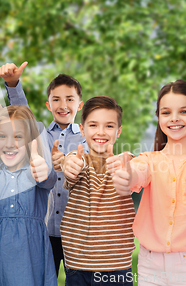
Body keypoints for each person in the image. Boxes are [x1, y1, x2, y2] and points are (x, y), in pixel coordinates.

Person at [108, 80, 186, 286]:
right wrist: (126, 177)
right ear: (159, 118)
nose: (174, 119)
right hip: (150, 265)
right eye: (166, 113)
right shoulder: (148, 160)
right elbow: (137, 172)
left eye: (184, 111)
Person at [0, 62, 88, 276]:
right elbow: (23, 112)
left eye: (69, 99)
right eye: (56, 99)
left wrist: (68, 161)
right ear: (48, 105)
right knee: (41, 278)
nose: (63, 104)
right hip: (44, 230)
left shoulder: (87, 137)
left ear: (80, 104)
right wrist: (12, 84)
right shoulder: (39, 135)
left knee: (78, 279)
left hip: (76, 230)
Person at [0, 105, 58, 286]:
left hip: (30, 259)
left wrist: (43, 169)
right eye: (2, 136)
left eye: (18, 136)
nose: (10, 143)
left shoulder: (36, 171)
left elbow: (49, 179)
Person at [60, 96, 136, 286]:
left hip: (116, 265)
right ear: (82, 130)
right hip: (77, 264)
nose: (101, 132)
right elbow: (71, 165)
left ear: (118, 132)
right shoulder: (78, 161)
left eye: (109, 126)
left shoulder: (126, 163)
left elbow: (135, 170)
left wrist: (129, 168)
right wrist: (67, 163)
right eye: (93, 125)